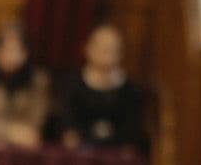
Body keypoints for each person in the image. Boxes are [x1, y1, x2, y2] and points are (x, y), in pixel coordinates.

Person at [56, 24, 148, 152]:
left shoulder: (132, 91)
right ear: (88, 49)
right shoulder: (71, 85)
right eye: (102, 48)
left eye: (112, 50)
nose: (106, 55)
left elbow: (131, 131)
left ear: (121, 53)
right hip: (80, 152)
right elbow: (67, 125)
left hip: (116, 153)